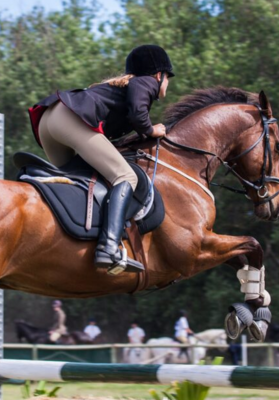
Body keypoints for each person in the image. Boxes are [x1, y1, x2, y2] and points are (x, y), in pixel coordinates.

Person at [28, 45, 175, 275]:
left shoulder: (119, 88)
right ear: (159, 75)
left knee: (77, 181)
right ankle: (108, 247)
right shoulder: (145, 82)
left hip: (50, 121)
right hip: (69, 120)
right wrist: (151, 130)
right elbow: (138, 114)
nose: (167, 84)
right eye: (168, 78)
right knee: (126, 176)